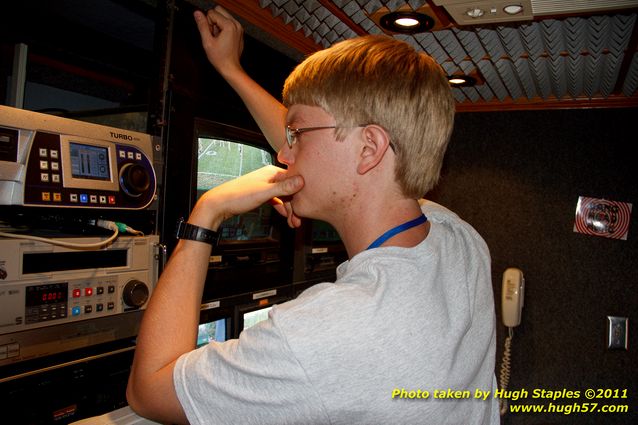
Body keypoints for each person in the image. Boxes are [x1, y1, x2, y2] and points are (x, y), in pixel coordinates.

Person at [126, 5, 499, 425]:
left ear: (369, 148)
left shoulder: (324, 334)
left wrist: (206, 214)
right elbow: (340, 155)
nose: (284, 154)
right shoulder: (459, 238)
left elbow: (149, 390)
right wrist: (232, 70)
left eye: (297, 134)